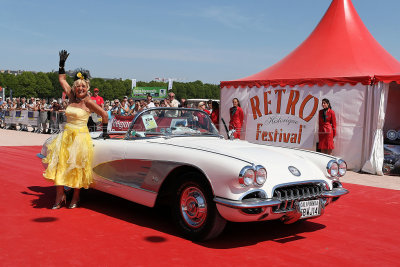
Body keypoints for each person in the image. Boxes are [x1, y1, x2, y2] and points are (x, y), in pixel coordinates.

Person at [42, 50, 109, 209]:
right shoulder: (71, 96)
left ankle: (76, 197)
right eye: (78, 86)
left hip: (80, 138)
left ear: (87, 88)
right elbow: (61, 79)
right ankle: (60, 196)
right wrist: (61, 64)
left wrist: (105, 132)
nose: (80, 88)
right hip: (66, 137)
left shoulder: (89, 103)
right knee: (60, 165)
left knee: (77, 167)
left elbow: (105, 115)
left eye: (83, 86)